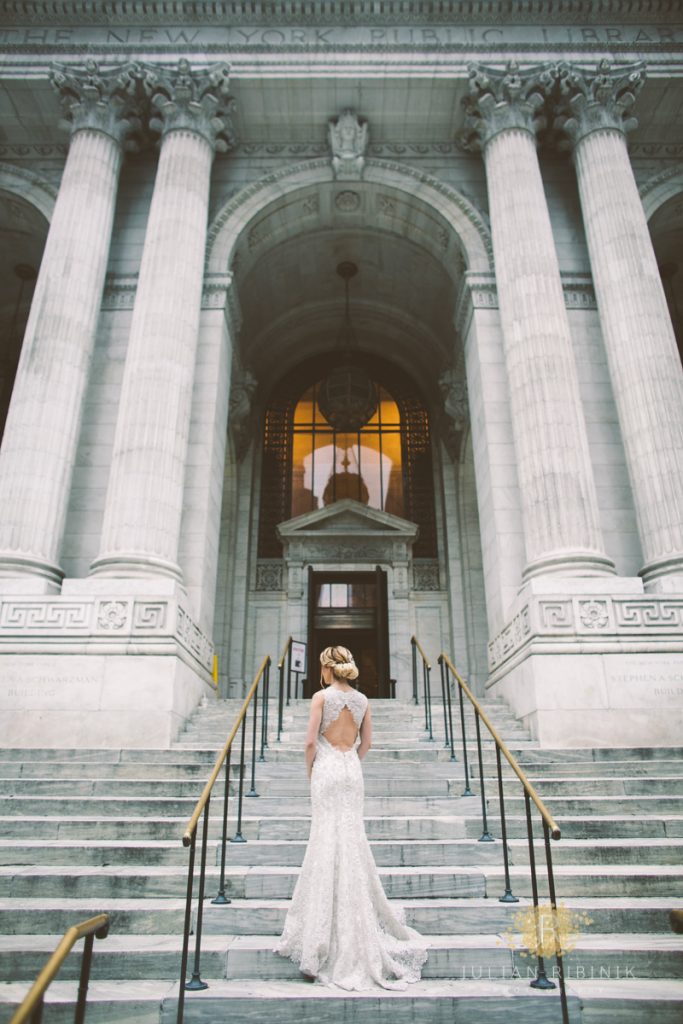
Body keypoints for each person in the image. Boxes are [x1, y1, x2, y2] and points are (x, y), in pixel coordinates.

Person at [274, 645, 428, 989]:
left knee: (325, 839)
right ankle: (356, 926)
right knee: (351, 839)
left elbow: (310, 742)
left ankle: (318, 939)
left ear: (327, 668)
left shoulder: (320, 697)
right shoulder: (362, 701)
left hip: (327, 770)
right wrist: (350, 761)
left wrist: (311, 771)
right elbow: (367, 743)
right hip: (351, 770)